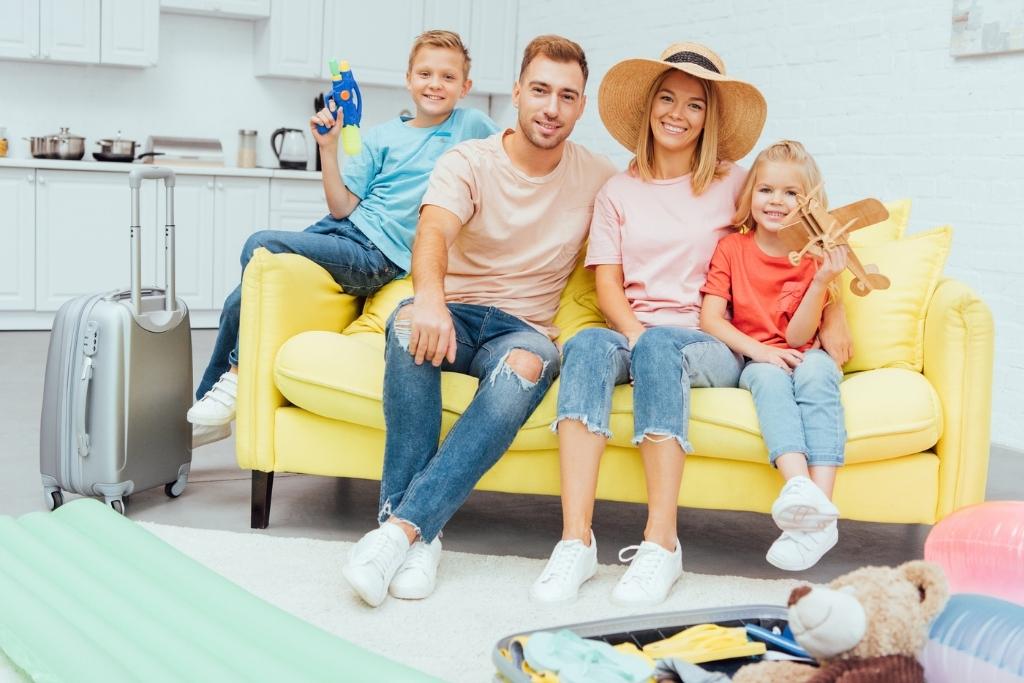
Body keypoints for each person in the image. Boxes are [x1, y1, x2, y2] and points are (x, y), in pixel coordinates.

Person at [341, 35, 617, 607]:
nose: (550, 108)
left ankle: (398, 532)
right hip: (457, 313)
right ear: (516, 92)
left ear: (581, 106)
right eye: (539, 91)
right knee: (406, 324)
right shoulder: (468, 160)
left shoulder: (598, 176)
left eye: (567, 97)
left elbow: (664, 211)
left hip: (523, 330)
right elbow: (434, 232)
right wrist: (432, 301)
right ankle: (422, 537)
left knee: (526, 364)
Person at [530, 43, 771, 607]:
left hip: (707, 341)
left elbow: (782, 241)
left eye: (693, 105)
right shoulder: (617, 191)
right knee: (587, 344)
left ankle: (662, 544)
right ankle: (575, 541)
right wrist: (633, 334)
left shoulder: (736, 184)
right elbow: (609, 285)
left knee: (662, 347)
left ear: (709, 118)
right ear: (649, 108)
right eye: (667, 99)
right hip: (638, 332)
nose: (676, 114)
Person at [186, 30, 497, 447]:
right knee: (241, 296)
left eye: (447, 77)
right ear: (408, 79)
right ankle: (210, 405)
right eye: (425, 73)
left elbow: (514, 154)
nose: (435, 84)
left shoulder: (471, 125)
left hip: (378, 255)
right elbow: (341, 207)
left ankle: (236, 381)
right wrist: (328, 149)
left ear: (465, 87)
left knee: (259, 243)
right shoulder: (381, 136)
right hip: (342, 232)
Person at [700, 140, 847, 572]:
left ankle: (819, 509)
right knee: (767, 379)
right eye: (766, 190)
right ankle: (801, 490)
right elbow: (712, 319)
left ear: (811, 203)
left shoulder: (814, 258)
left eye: (791, 194)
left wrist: (820, 282)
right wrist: (761, 352)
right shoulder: (732, 249)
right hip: (755, 356)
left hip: (804, 351)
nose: (776, 202)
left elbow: (798, 335)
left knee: (820, 375)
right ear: (750, 195)